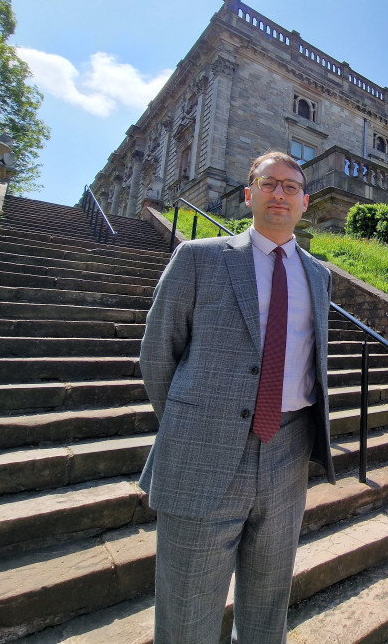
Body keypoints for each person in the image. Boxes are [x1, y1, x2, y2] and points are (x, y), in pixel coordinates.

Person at [139, 151, 335, 643]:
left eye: (291, 187)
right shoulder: (198, 258)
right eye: (269, 184)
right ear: (249, 195)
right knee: (187, 611)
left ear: (305, 203)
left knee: (268, 604)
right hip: (203, 449)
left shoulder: (319, 275)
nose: (280, 194)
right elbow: (158, 354)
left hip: (288, 451)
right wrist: (195, 422)